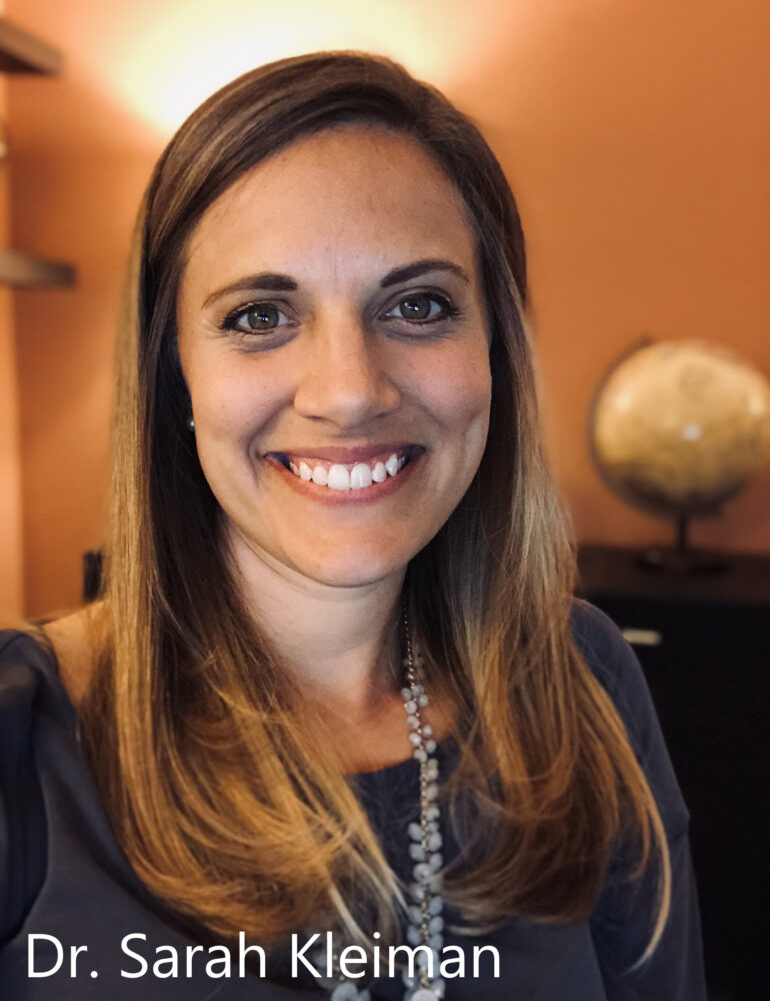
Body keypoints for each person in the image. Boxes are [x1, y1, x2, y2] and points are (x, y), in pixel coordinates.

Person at [0, 51, 706, 1000]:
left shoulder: (582, 678)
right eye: (259, 315)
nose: (350, 392)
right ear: (176, 376)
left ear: (493, 347)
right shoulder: (24, 738)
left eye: (418, 306)